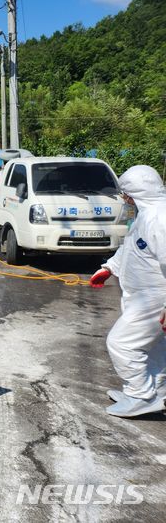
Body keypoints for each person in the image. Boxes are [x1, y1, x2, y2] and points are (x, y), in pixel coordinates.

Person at [90, 165, 166, 418]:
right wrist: (109, 268)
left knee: (122, 344)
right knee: (151, 347)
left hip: (155, 299)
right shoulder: (146, 214)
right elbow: (132, 248)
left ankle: (140, 395)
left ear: (134, 193)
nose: (124, 199)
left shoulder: (160, 218)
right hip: (141, 297)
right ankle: (156, 390)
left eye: (125, 194)